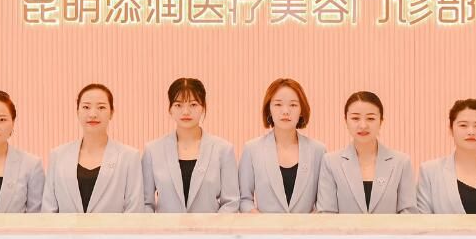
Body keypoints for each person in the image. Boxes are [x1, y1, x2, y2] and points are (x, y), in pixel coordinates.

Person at [41, 83, 144, 213]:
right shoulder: (58, 155)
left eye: (101, 107)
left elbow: (134, 210)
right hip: (66, 227)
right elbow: (48, 209)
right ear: (77, 112)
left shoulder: (129, 157)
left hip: (113, 227)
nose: (93, 114)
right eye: (86, 107)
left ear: (111, 113)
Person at [142, 78, 239, 213]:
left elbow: (231, 202)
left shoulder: (223, 150)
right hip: (166, 227)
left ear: (203, 107)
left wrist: (213, 226)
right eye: (178, 105)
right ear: (170, 109)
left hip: (211, 226)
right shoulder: (152, 151)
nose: (186, 112)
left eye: (193, 104)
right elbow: (145, 203)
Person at [317, 91, 416, 214]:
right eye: (355, 118)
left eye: (370, 118)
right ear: (346, 121)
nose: (363, 125)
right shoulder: (331, 162)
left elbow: (408, 213)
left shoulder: (401, 162)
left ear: (381, 121)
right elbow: (326, 214)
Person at [238, 78, 325, 213]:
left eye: (293, 105)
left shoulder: (318, 150)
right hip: (264, 226)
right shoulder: (252, 149)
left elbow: (324, 202)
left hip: (306, 227)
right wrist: (258, 219)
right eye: (278, 104)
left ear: (301, 110)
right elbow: (244, 200)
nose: (285, 111)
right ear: (269, 109)